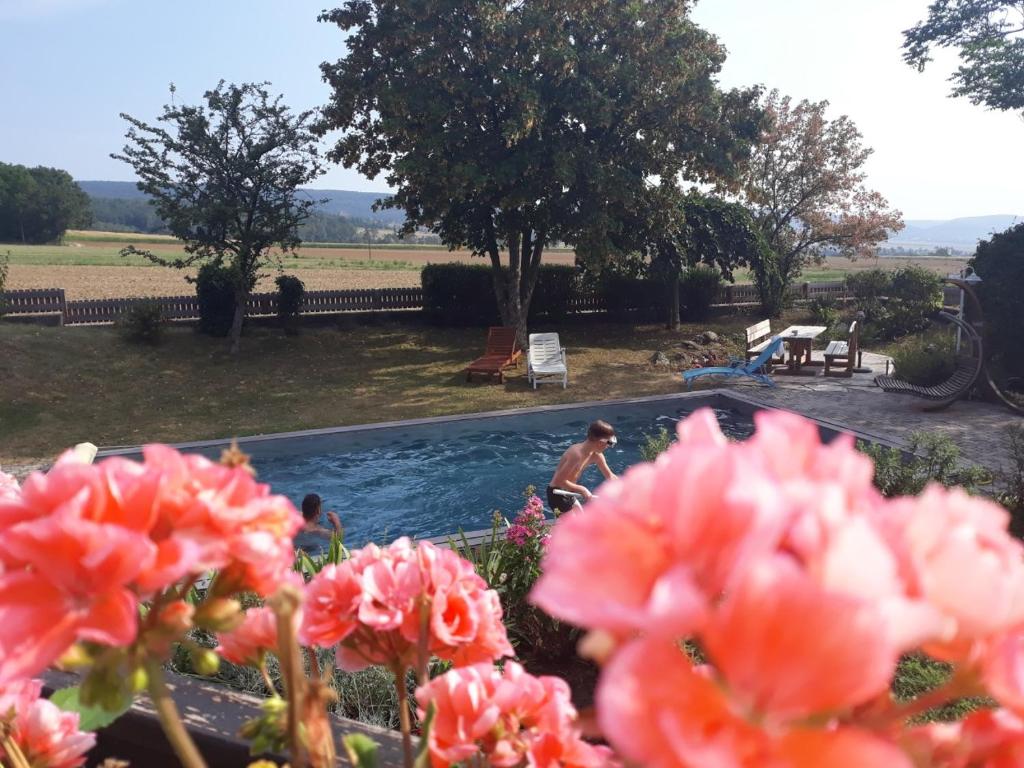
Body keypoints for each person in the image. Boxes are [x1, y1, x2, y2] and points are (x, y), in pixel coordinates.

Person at [547, 420, 618, 513]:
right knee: (572, 525)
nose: (608, 446)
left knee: (581, 520)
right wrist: (583, 490)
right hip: (556, 494)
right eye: (609, 443)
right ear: (601, 442)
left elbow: (610, 476)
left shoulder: (596, 455)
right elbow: (559, 481)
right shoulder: (576, 454)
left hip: (569, 493)